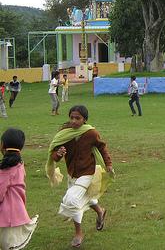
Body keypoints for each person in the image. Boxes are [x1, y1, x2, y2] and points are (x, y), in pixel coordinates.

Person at [46, 105, 114, 248]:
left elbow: (102, 147)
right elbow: (54, 153)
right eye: (72, 117)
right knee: (85, 197)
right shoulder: (64, 133)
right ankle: (100, 211)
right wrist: (58, 154)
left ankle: (78, 233)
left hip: (87, 173)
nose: (74, 121)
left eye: (78, 118)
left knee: (72, 199)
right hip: (72, 173)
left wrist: (108, 164)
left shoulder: (91, 133)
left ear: (85, 120)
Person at [0, 128, 39, 250]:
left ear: (2, 145)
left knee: (8, 245)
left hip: (6, 214)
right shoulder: (19, 163)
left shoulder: (6, 168)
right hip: (16, 211)